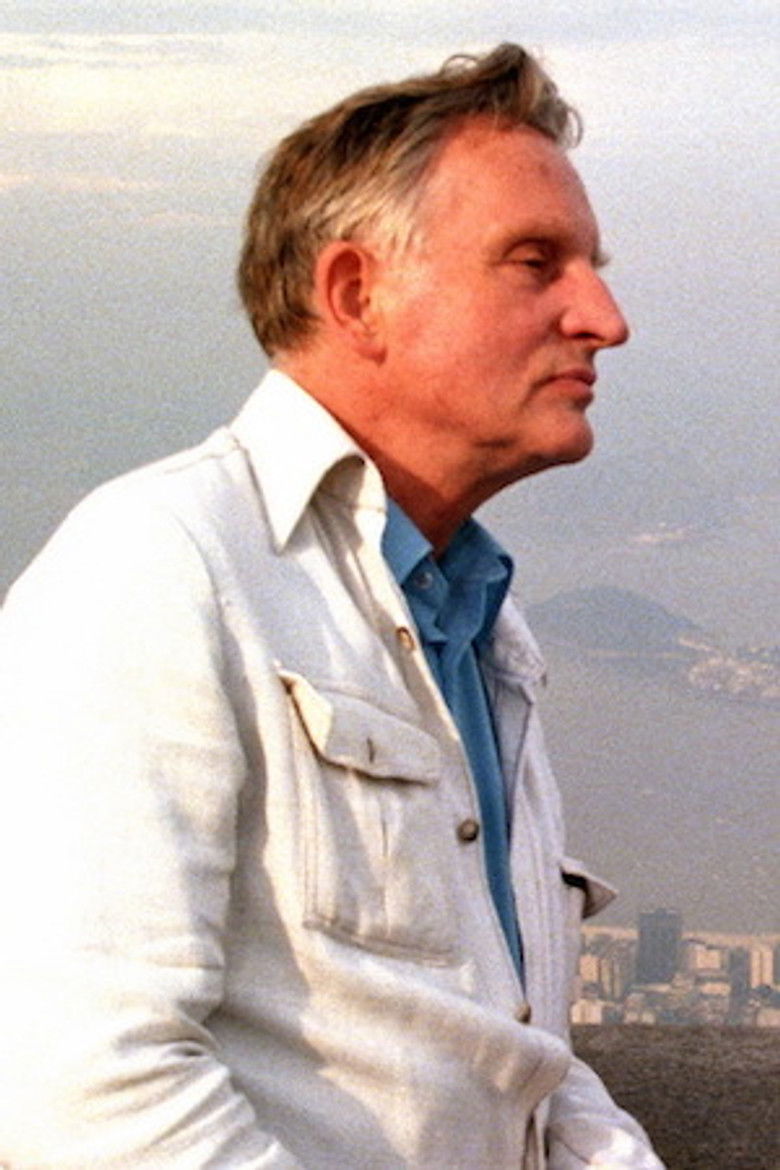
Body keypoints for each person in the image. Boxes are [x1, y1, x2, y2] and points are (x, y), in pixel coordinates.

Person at [0, 44, 666, 1170]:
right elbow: (83, 1090)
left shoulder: (477, 624)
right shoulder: (164, 566)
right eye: (535, 263)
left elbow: (515, 1055)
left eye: (590, 267)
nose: (604, 316)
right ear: (359, 295)